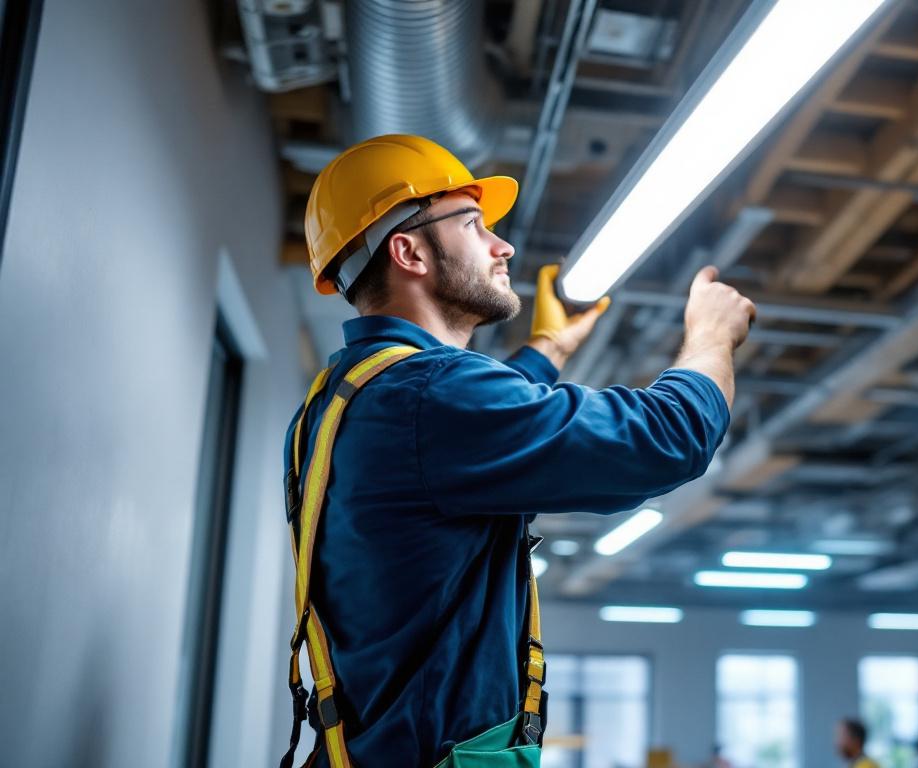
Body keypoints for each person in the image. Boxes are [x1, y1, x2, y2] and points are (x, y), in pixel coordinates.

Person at [280, 134, 755, 768]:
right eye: (473, 224)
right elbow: (667, 439)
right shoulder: (429, 395)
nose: (502, 246)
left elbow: (458, 442)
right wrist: (711, 336)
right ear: (408, 251)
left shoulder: (338, 400)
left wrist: (549, 349)